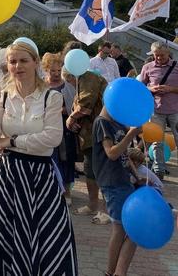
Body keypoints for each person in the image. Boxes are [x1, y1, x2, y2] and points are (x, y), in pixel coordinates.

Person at [0, 40, 77, 276]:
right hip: (7, 175)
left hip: (39, 178)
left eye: (23, 60)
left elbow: (52, 138)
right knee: (4, 236)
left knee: (44, 236)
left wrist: (12, 141)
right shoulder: (4, 95)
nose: (17, 66)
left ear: (36, 62)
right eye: (12, 61)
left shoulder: (51, 98)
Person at [63, 41, 109, 223]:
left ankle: (105, 210)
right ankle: (92, 205)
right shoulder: (83, 78)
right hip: (91, 133)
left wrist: (71, 119)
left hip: (100, 132)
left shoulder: (88, 78)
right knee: (91, 170)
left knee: (101, 170)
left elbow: (86, 107)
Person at [92, 107, 141, 276]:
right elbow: (112, 153)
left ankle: (117, 272)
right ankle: (112, 272)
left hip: (124, 181)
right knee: (122, 228)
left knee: (131, 228)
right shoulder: (102, 123)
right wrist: (131, 135)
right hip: (112, 182)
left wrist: (137, 176)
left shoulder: (118, 122)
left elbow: (124, 156)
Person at [42, 52, 78, 205]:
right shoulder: (41, 86)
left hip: (65, 129)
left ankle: (67, 193)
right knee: (49, 159)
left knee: (66, 159)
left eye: (58, 71)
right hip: (45, 127)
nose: (56, 74)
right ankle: (49, 191)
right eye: (52, 71)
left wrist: (65, 111)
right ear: (46, 70)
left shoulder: (67, 87)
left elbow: (74, 106)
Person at [139, 41, 178, 179]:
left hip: (175, 110)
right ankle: (159, 170)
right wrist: (150, 89)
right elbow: (140, 87)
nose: (158, 58)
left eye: (161, 55)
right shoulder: (147, 67)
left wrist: (171, 89)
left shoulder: (176, 66)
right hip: (156, 110)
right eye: (156, 55)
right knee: (156, 142)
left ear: (168, 53)